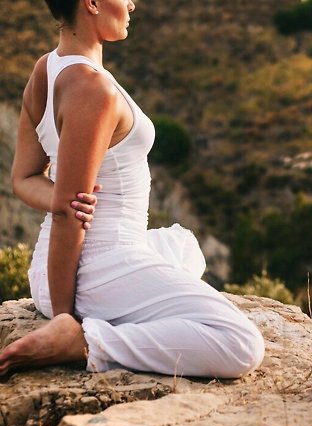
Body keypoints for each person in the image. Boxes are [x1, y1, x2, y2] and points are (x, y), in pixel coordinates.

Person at [0, 0, 265, 377]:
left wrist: (59, 199)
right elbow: (69, 220)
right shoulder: (93, 92)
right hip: (91, 270)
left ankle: (107, 313)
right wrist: (63, 315)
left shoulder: (46, 67)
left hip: (53, 268)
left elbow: (23, 178)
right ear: (91, 3)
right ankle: (90, 341)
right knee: (241, 345)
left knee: (183, 245)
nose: (131, 3)